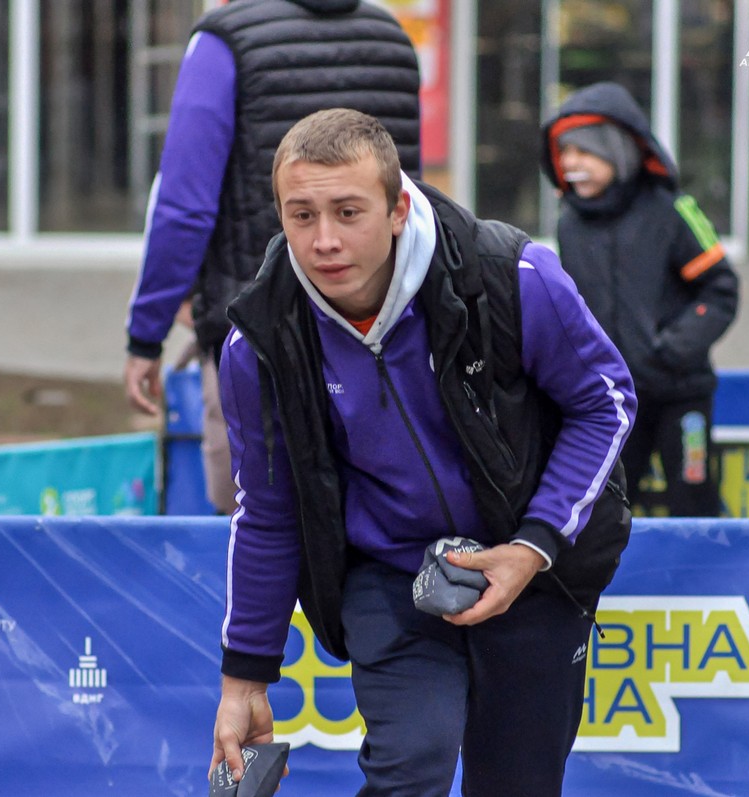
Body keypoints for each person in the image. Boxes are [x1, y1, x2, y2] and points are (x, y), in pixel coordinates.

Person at [211, 108, 635, 796]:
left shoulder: (512, 276)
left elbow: (605, 403)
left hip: (531, 570)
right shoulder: (261, 342)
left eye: (349, 212)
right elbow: (268, 511)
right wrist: (245, 680)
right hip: (388, 576)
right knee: (411, 766)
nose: (324, 240)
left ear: (398, 209)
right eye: (301, 216)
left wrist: (532, 546)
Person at [124, 0, 422, 514]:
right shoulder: (391, 36)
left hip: (259, 327)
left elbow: (184, 207)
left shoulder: (223, 42)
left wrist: (145, 336)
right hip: (383, 325)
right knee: (380, 511)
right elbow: (405, 193)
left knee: (255, 512)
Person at [540, 82, 739, 518]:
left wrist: (672, 348)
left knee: (693, 501)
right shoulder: (569, 223)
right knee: (607, 511)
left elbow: (721, 290)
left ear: (617, 151)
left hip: (681, 396)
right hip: (611, 402)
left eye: (584, 151)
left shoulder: (674, 210)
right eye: (565, 151)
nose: (570, 163)